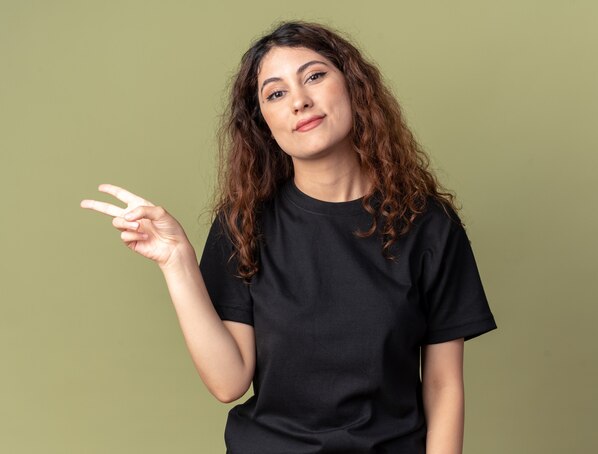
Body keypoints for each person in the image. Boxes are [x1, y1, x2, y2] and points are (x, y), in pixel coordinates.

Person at [81, 20, 497, 454]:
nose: (300, 101)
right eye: (276, 93)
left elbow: (443, 385)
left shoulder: (428, 224)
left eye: (315, 76)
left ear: (353, 86)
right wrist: (176, 261)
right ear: (264, 122)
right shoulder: (244, 223)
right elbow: (228, 382)